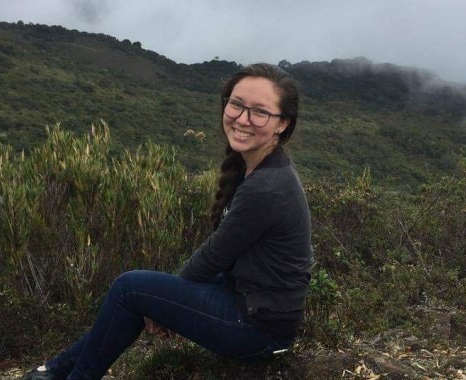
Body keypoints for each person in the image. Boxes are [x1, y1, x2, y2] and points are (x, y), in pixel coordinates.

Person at [21, 63, 313, 380]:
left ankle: (64, 373)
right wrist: (160, 304)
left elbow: (215, 255)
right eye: (236, 105)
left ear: (281, 123)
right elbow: (220, 260)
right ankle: (54, 371)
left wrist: (161, 310)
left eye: (259, 112)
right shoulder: (258, 167)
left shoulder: (267, 187)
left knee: (129, 288)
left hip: (257, 329)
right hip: (251, 303)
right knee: (139, 293)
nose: (243, 119)